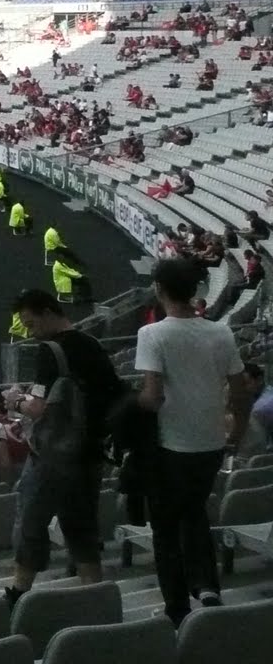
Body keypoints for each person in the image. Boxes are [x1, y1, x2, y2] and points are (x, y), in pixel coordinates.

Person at [134, 257, 254, 625]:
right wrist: (235, 432)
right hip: (211, 443)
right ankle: (207, 586)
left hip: (173, 447)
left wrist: (125, 404)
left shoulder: (152, 335)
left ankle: (177, 609)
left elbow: (152, 398)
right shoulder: (220, 332)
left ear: (159, 289)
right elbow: (239, 391)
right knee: (195, 512)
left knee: (166, 528)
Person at [1, 289, 126, 609]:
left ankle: (19, 591)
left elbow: (39, 408)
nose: (30, 332)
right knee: (81, 525)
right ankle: (93, 591)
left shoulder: (51, 351)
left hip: (53, 456)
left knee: (30, 519)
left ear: (46, 313)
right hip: (90, 452)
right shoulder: (93, 346)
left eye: (31, 324)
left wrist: (15, 399)